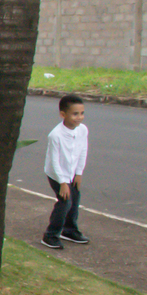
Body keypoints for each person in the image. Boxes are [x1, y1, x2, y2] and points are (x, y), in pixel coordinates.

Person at [40, 94, 89, 249]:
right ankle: (50, 235)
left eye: (82, 113)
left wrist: (79, 173)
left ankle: (69, 230)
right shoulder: (55, 135)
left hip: (72, 172)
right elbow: (54, 161)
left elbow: (83, 150)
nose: (79, 117)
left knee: (75, 199)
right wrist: (62, 182)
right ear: (63, 114)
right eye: (75, 114)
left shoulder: (82, 130)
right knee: (65, 202)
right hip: (57, 174)